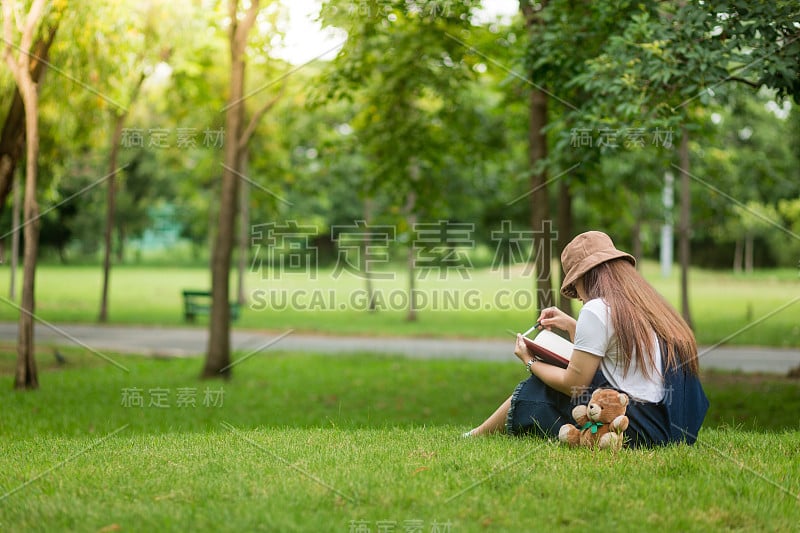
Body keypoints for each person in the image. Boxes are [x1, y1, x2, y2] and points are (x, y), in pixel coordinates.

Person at [464, 230, 709, 447]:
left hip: (632, 426)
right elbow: (616, 355)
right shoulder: (644, 305)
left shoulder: (597, 309)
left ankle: (477, 435)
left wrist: (530, 361)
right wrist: (573, 326)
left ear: (586, 276)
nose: (578, 297)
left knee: (538, 387)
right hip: (669, 424)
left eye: (575, 285)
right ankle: (479, 433)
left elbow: (574, 384)